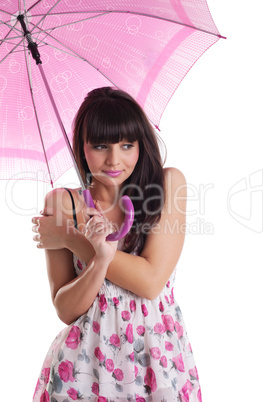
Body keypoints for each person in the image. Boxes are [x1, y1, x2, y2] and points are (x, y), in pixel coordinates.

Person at [32, 87, 202, 401]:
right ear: (81, 147)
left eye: (127, 145)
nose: (114, 159)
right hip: (84, 369)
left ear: (141, 144)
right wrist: (97, 262)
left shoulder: (166, 185)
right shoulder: (63, 203)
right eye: (100, 145)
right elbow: (66, 309)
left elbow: (150, 282)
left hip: (158, 361)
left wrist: (73, 239)